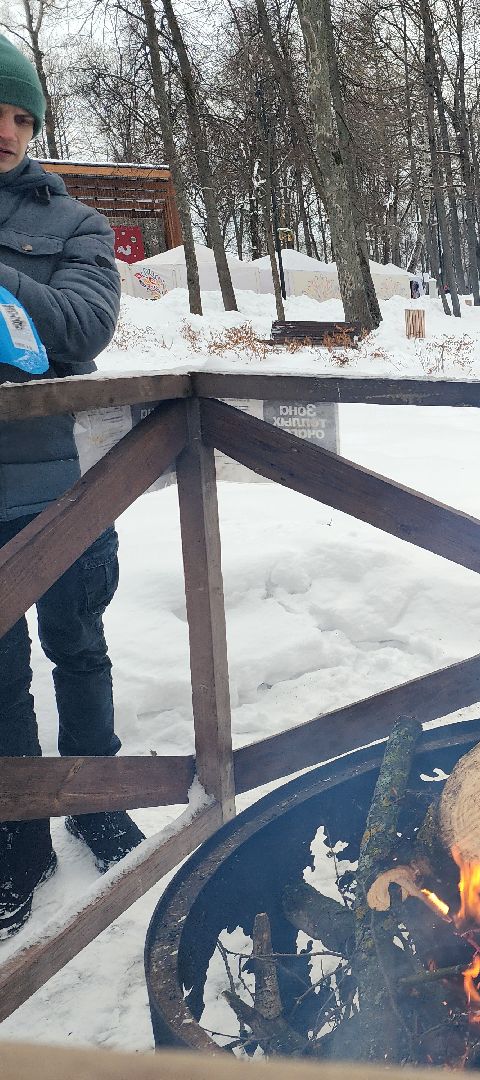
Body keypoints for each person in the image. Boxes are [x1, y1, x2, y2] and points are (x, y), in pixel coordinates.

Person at [0, 35, 134, 940]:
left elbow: (85, 327)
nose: (7, 131)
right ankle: (19, 837)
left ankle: (98, 799)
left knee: (78, 648)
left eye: (20, 116)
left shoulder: (71, 223)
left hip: (54, 487)